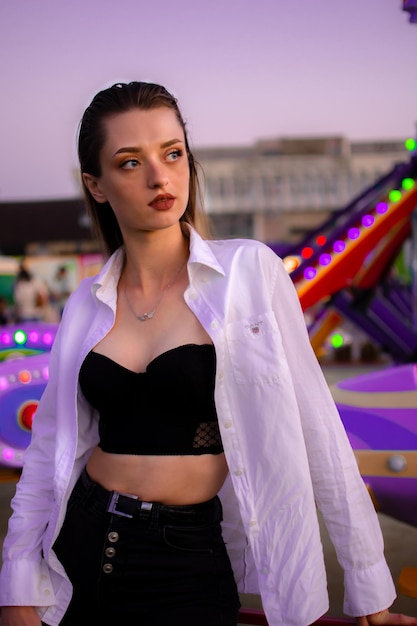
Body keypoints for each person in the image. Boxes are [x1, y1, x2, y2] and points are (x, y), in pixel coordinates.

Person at [0, 81, 415, 626]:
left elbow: (320, 430)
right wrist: (17, 586)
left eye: (173, 154)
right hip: (80, 544)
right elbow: (48, 451)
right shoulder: (85, 302)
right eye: (130, 162)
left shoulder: (249, 272)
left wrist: (371, 593)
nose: (159, 176)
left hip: (187, 557)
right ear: (95, 185)